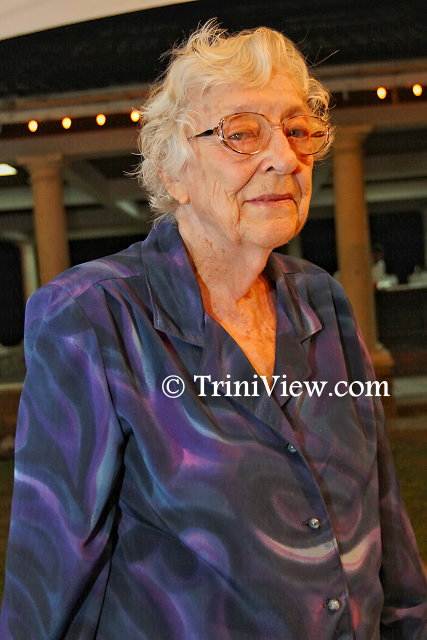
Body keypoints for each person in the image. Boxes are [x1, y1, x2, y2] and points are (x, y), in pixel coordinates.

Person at [1, 21, 426, 640]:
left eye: (297, 131)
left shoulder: (320, 300)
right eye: (241, 134)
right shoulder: (93, 316)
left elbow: (387, 527)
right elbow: (49, 579)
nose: (285, 157)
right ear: (172, 171)